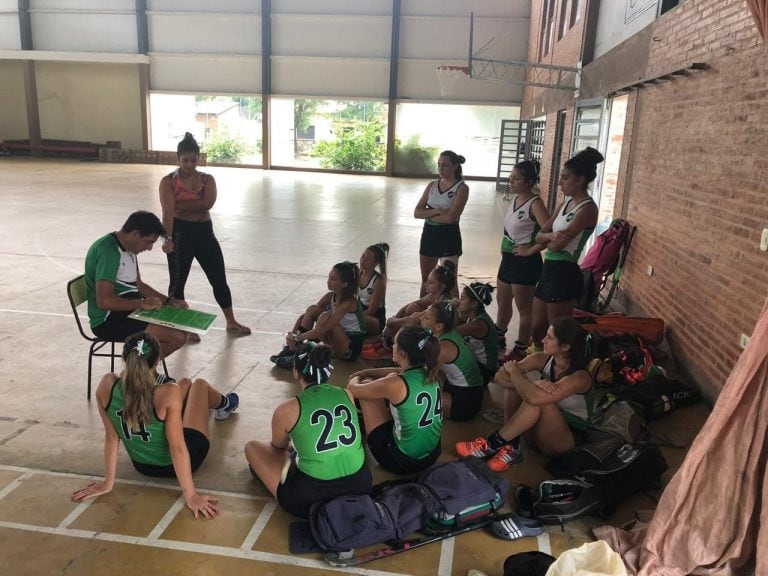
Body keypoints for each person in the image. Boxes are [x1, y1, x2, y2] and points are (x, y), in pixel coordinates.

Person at [71, 332, 239, 518]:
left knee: (182, 388)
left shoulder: (106, 385)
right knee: (198, 385)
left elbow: (112, 437)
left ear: (125, 359)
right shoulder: (168, 392)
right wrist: (191, 495)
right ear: (157, 361)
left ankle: (198, 404)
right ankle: (225, 404)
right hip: (182, 461)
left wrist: (107, 483)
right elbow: (177, 448)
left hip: (142, 466)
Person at [245, 343, 371, 518]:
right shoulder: (346, 394)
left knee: (252, 447)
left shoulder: (288, 409)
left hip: (312, 497)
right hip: (360, 486)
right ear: (328, 370)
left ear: (296, 372)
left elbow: (278, 446)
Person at [455, 317, 594, 472]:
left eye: (549, 337)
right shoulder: (542, 358)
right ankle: (511, 446)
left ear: (565, 346)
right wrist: (530, 383)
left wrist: (519, 374)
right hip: (535, 431)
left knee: (537, 398)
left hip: (564, 441)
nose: (543, 340)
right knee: (520, 387)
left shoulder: (580, 377)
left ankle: (492, 444)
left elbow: (533, 397)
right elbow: (500, 376)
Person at [159, 132, 250, 342]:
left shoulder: (207, 179)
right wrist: (167, 238)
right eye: (185, 160)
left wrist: (178, 205)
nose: (189, 164)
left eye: (193, 160)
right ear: (178, 159)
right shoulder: (168, 182)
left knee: (218, 278)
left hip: (205, 233)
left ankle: (231, 320)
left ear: (198, 159)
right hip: (181, 234)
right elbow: (167, 213)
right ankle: (182, 327)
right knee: (177, 282)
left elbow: (207, 204)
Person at [84, 211, 187, 359]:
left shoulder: (129, 248)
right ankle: (137, 376)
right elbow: (104, 301)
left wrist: (169, 301)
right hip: (108, 321)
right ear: (135, 234)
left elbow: (140, 285)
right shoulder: (108, 251)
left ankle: (142, 373)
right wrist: (141, 304)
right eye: (149, 242)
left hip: (129, 310)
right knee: (176, 337)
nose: (150, 248)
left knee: (182, 331)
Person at [530, 148, 602, 348]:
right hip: (549, 270)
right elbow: (540, 235)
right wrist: (551, 236)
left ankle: (558, 370)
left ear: (579, 180)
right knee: (537, 328)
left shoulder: (587, 208)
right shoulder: (565, 204)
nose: (560, 183)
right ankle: (539, 361)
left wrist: (550, 239)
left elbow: (556, 244)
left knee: (557, 332)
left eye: (564, 178)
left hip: (565, 272)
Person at [347, 326, 442, 474]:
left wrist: (356, 377)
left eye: (395, 343)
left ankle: (361, 421)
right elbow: (396, 372)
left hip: (402, 461)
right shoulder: (429, 372)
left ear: (402, 353)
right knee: (386, 384)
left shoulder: (396, 384)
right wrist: (366, 371)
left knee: (366, 388)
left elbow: (352, 389)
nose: (392, 346)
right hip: (431, 454)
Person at [494, 160, 551, 362]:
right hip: (509, 258)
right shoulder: (515, 199)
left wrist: (532, 249)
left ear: (528, 182)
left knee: (524, 309)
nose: (511, 181)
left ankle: (520, 349)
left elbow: (549, 234)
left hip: (526, 262)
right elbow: (509, 228)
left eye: (516, 178)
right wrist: (503, 246)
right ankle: (498, 336)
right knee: (502, 301)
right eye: (511, 177)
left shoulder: (535, 204)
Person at [270, 261, 365, 369]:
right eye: (329, 276)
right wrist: (294, 335)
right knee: (312, 309)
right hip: (338, 340)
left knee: (325, 317)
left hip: (350, 350)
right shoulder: (331, 296)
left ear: (345, 284)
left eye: (333, 279)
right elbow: (305, 316)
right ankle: (292, 349)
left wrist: (298, 337)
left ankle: (302, 354)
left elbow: (322, 330)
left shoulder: (348, 303)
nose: (328, 281)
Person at [362, 260, 456, 360]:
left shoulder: (442, 303)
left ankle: (391, 347)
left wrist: (393, 322)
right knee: (413, 307)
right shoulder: (437, 294)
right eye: (427, 281)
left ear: (442, 286)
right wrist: (394, 320)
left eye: (431, 283)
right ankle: (387, 343)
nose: (426, 285)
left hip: (436, 339)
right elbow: (413, 303)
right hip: (432, 331)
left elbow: (413, 320)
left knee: (411, 321)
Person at [414, 151, 468, 298]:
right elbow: (417, 212)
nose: (440, 168)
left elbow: (451, 218)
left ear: (455, 166)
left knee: (449, 282)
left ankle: (454, 315)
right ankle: (423, 311)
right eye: (438, 165)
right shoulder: (432, 185)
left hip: (449, 236)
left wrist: (429, 215)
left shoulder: (461, 188)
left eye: (444, 165)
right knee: (427, 280)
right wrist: (437, 211)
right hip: (429, 235)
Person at [422, 299, 484, 422]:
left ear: (439, 326)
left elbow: (421, 377)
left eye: (426, 317)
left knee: (416, 391)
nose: (421, 318)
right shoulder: (450, 334)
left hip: (465, 403)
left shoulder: (442, 348)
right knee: (427, 370)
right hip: (467, 390)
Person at [455, 282, 499, 385]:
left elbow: (449, 334)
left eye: (462, 298)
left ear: (474, 304)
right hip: (477, 364)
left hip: (483, 371)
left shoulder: (478, 325)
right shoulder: (472, 316)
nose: (458, 301)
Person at [358, 242, 389, 336]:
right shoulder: (358, 273)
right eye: (363, 256)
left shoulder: (379, 282)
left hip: (374, 318)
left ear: (376, 263)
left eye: (368, 259)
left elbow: (371, 311)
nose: (363, 260)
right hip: (360, 310)